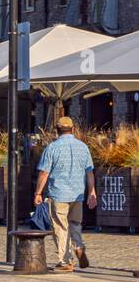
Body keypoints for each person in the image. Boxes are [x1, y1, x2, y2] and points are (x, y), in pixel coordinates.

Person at [34, 115, 96, 272]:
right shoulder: (83, 147)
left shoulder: (52, 148)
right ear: (73, 129)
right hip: (78, 194)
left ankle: (65, 261)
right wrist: (92, 192)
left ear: (57, 131)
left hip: (59, 194)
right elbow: (89, 172)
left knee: (61, 227)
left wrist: (38, 193)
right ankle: (79, 246)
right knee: (75, 224)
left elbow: (44, 174)